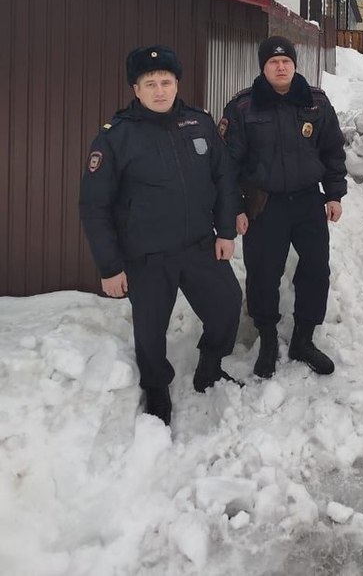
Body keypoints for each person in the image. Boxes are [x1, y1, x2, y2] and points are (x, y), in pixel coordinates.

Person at [79, 45, 243, 425]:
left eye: (165, 82)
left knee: (228, 306)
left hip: (200, 245)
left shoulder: (199, 124)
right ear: (135, 90)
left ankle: (210, 365)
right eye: (149, 83)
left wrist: (226, 231)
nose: (159, 90)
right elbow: (94, 205)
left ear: (176, 84)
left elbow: (224, 179)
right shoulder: (115, 138)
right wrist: (109, 266)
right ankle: (156, 389)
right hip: (147, 256)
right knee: (150, 331)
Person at [220, 35, 347, 380]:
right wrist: (235, 209)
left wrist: (334, 194)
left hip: (308, 201)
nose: (280, 66)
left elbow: (333, 151)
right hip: (264, 204)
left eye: (286, 61)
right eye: (273, 62)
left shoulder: (315, 102)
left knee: (316, 269)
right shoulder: (243, 108)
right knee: (262, 274)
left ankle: (303, 340)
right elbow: (227, 166)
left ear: (294, 64)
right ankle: (268, 339)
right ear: (263, 67)